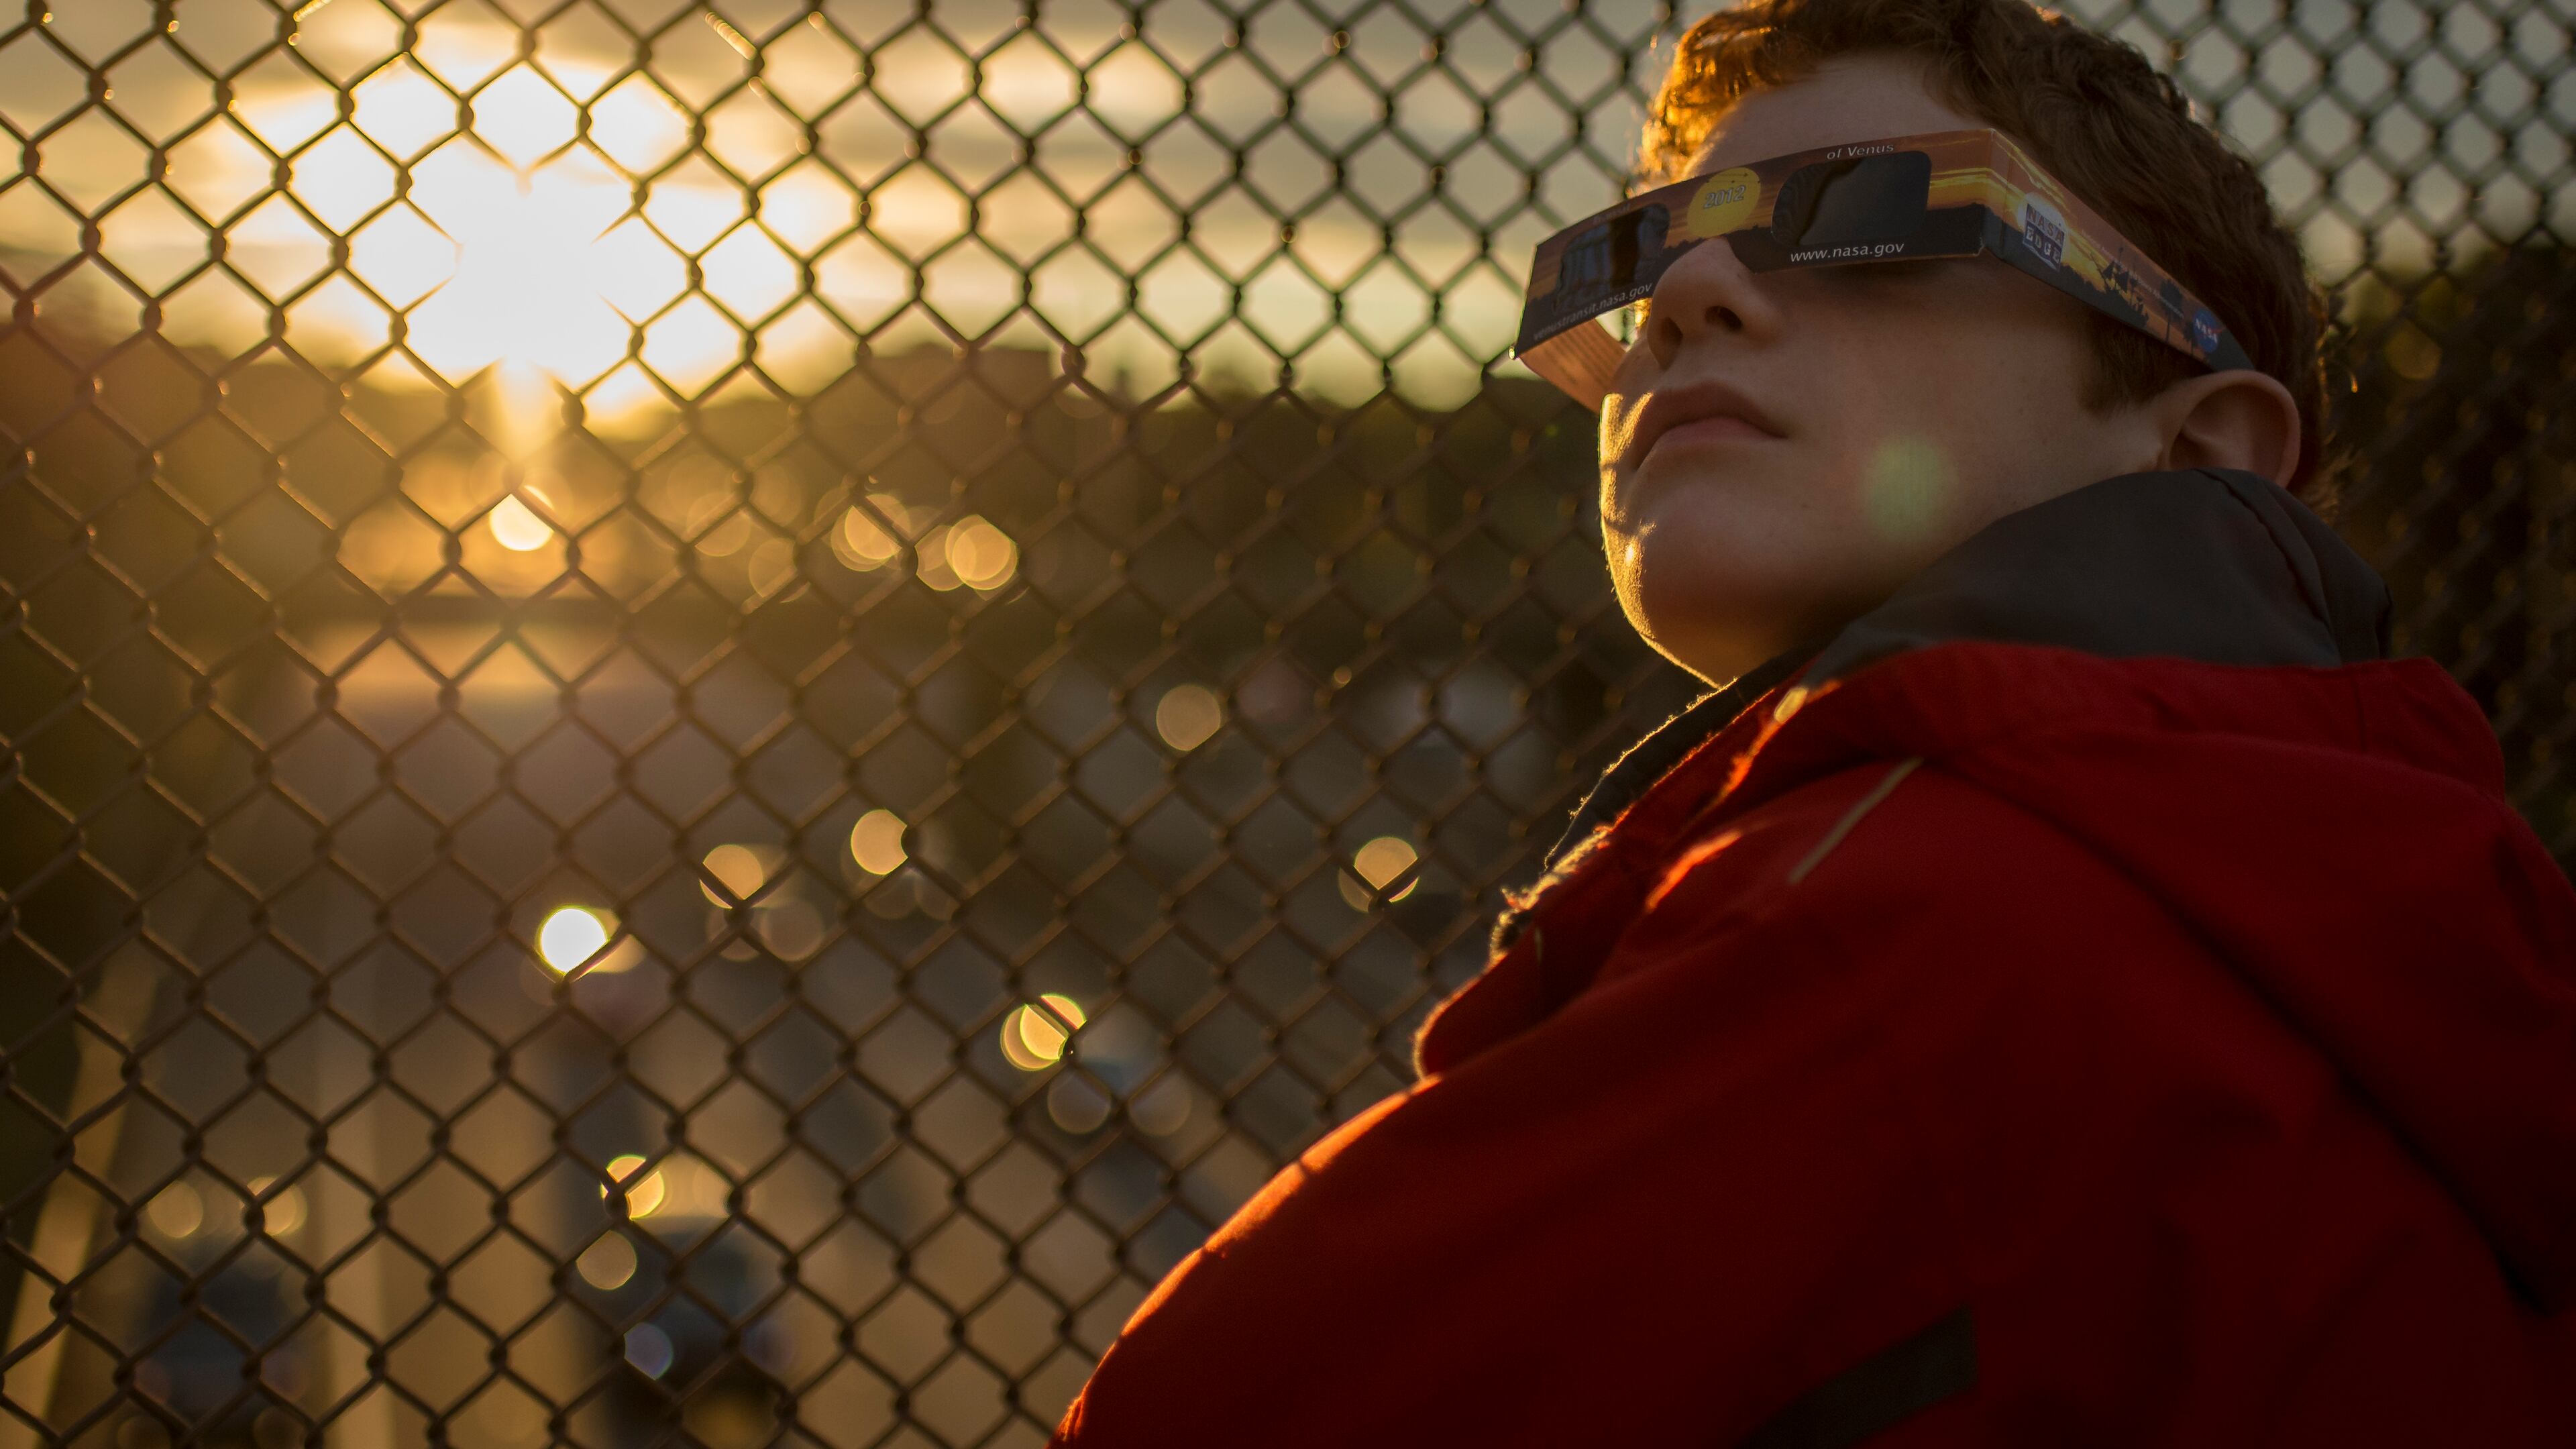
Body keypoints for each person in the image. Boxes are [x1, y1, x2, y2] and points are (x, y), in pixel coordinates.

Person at [1048, 0, 2576, 1442]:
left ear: (2196, 449)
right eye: (1641, 264)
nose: (1687, 302)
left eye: (1865, 218)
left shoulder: (1894, 917)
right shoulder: (2400, 888)